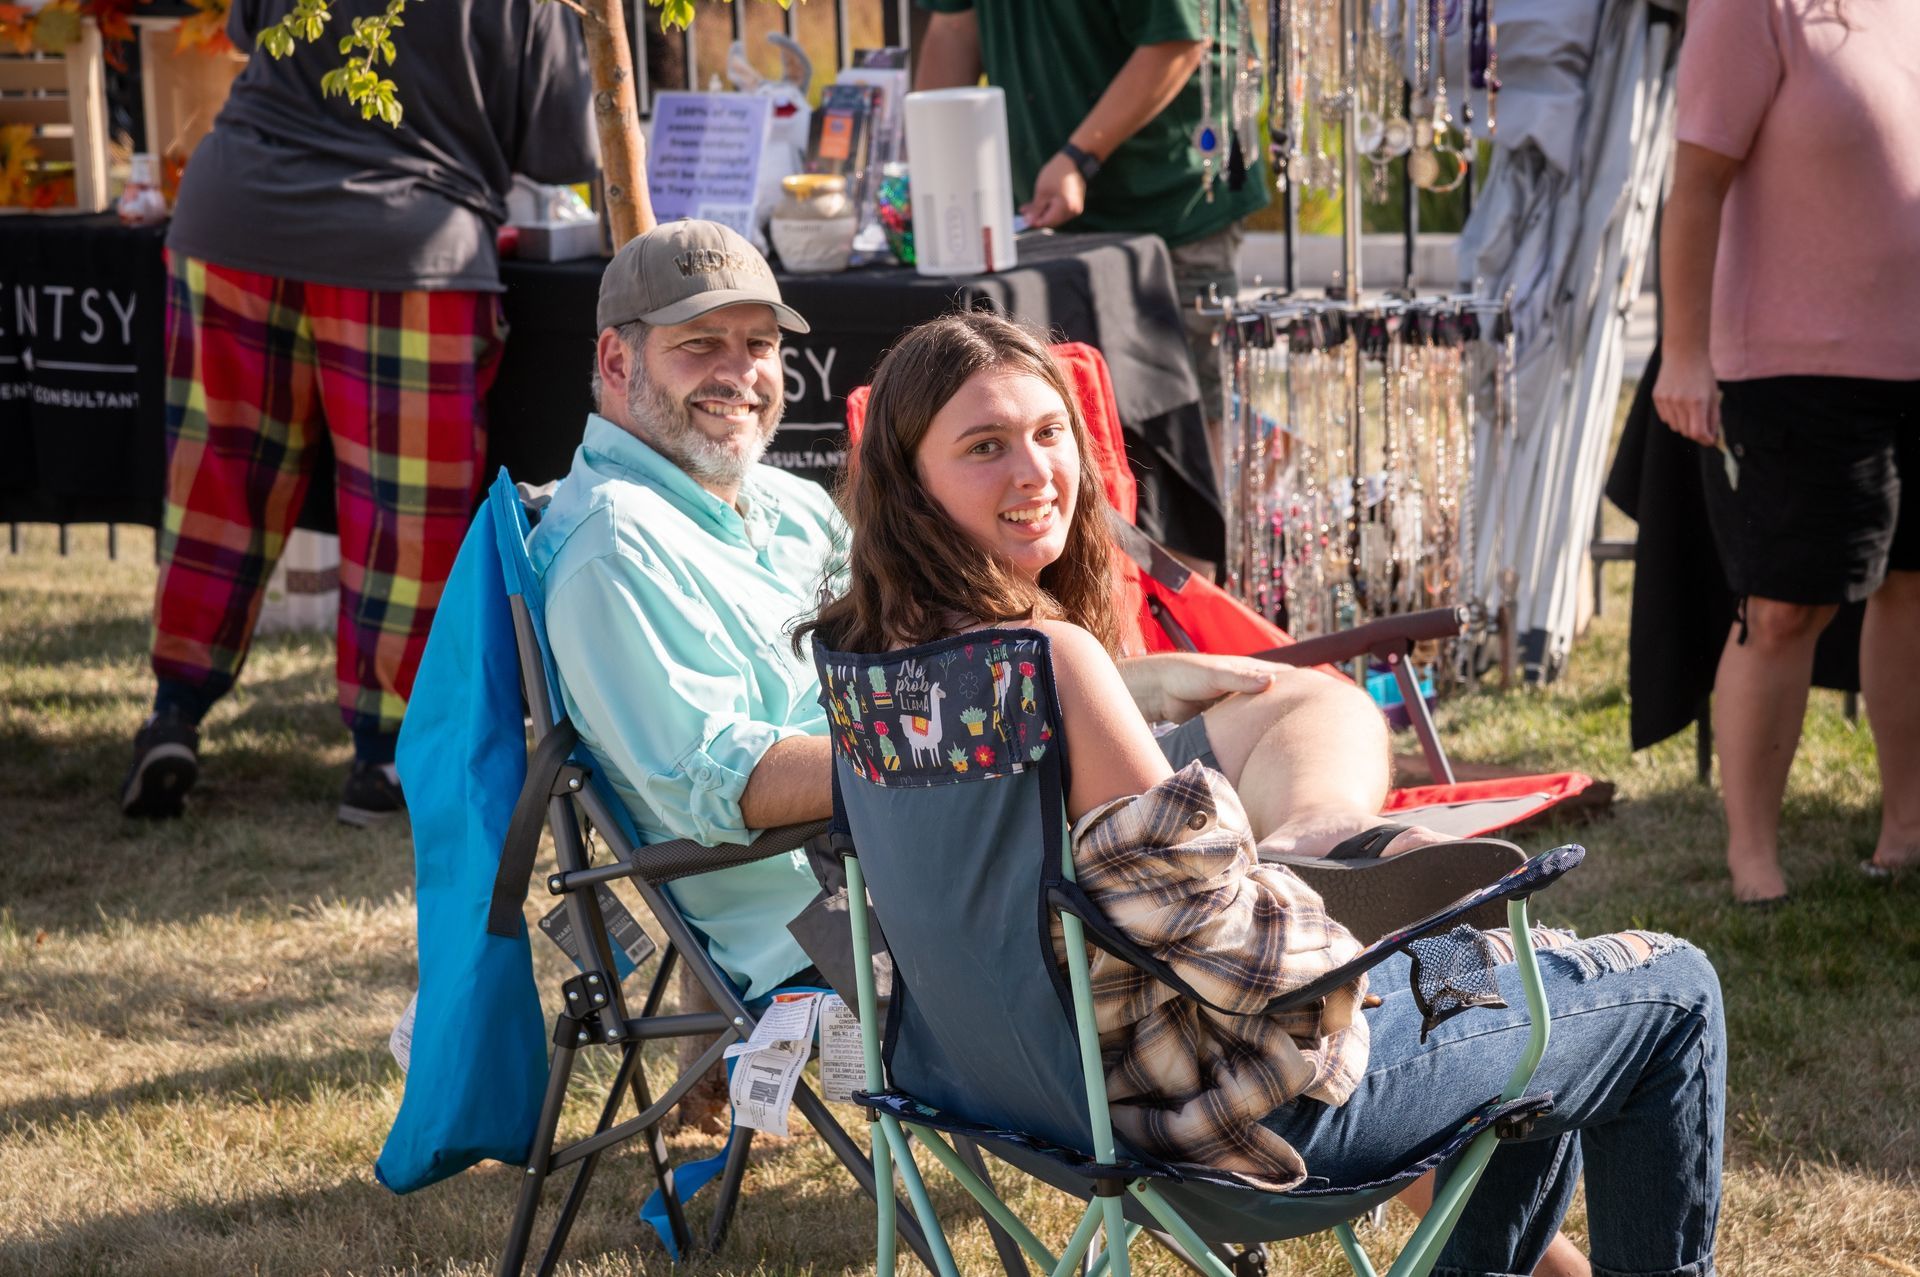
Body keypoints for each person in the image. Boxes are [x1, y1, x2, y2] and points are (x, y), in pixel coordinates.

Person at [802, 310, 1726, 1277]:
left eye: (1049, 432)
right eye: (985, 446)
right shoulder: (1053, 664)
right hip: (1228, 1114)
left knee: (1520, 1020)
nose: (1035, 472)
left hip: (1026, 1093)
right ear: (908, 481)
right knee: (1668, 988)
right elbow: (1247, 967)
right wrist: (1377, 929)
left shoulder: (870, 665)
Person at [528, 218, 1454, 1010]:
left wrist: (1108, 692)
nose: (740, 373)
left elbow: (917, 673)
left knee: (1310, 704)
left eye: (758, 344)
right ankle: (1273, 920)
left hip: (972, 805)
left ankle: (1302, 857)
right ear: (617, 357)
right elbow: (726, 783)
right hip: (863, 899)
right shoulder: (612, 549)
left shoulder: (780, 502)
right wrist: (1006, 728)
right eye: (700, 345)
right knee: (1291, 941)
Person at [119, 0, 596, 825]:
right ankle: (384, 756)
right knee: (402, 514)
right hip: (408, 242)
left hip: (235, 212)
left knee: (219, 485)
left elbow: (247, 40)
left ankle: (174, 713)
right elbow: (562, 152)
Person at [1654, 0, 1920, 901]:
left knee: (1915, 590)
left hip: (1912, 359)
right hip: (1791, 365)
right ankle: (1754, 860)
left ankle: (1906, 832)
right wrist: (1684, 353)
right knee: (1780, 613)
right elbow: (1693, 186)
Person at [913, 0, 1268, 463]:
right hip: (1049, 226)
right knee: (1059, 433)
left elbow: (1176, 43)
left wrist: (1080, 157)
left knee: (1187, 442)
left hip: (1170, 211)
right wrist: (918, 167)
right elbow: (955, 31)